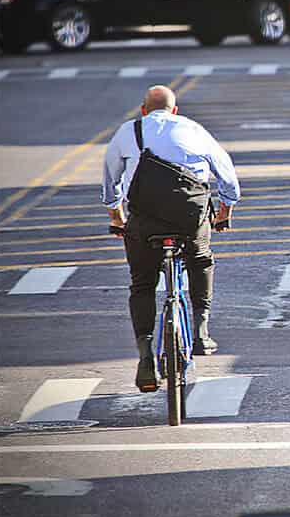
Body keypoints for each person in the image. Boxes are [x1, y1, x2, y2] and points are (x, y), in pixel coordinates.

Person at [102, 85, 239, 392]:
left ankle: (145, 356)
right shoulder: (193, 129)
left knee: (142, 284)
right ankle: (201, 329)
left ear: (144, 110)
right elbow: (226, 174)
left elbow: (111, 181)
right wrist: (225, 211)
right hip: (189, 218)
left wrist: (116, 217)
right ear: (174, 110)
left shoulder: (128, 132)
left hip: (144, 222)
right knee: (201, 258)